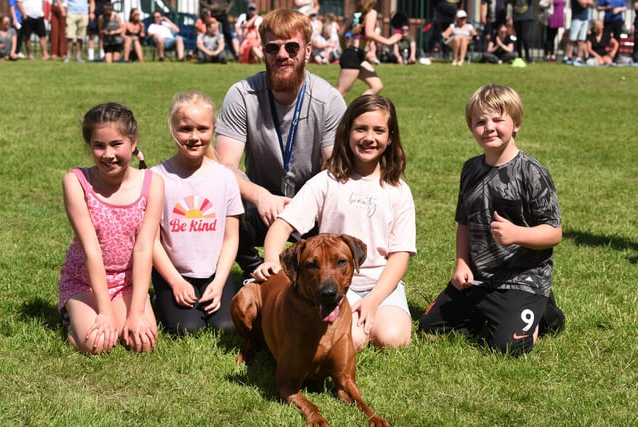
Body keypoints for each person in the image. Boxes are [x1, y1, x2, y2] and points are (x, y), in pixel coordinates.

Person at [253, 94, 416, 351]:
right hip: (332, 285)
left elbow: (400, 255)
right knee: (356, 340)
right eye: (360, 128)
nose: (369, 137)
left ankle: (377, 313)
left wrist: (373, 301)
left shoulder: (398, 190)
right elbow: (282, 224)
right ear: (346, 131)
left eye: (378, 130)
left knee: (392, 338)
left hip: (381, 285)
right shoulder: (327, 181)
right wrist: (271, 259)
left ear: (391, 137)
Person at [419, 84, 565, 356]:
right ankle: (494, 312)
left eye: (498, 120)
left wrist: (517, 234)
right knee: (430, 327)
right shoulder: (470, 169)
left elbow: (554, 232)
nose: (489, 127)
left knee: (507, 347)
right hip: (479, 278)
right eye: (480, 122)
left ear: (516, 123)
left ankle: (544, 309)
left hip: (522, 278)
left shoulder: (532, 172)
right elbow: (463, 222)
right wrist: (462, 263)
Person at [215, 8, 347, 278]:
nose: (282, 55)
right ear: (263, 50)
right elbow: (223, 165)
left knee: (344, 204)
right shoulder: (242, 95)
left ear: (308, 50)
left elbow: (336, 167)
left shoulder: (329, 100)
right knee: (218, 197)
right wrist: (260, 196)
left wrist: (304, 204)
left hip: (313, 202)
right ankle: (258, 272)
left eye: (291, 47)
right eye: (273, 48)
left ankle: (319, 271)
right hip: (259, 202)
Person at [58, 102, 163, 355]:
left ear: (133, 142)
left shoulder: (153, 183)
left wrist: (137, 310)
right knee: (97, 343)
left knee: (143, 343)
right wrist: (104, 313)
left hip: (126, 281)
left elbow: (143, 249)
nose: (108, 154)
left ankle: (130, 309)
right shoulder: (76, 182)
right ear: (90, 146)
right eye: (99, 146)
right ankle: (72, 319)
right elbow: (91, 250)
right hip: (85, 281)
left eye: (116, 144)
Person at [151, 92, 243, 336]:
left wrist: (219, 282)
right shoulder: (156, 178)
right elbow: (151, 241)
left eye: (202, 129)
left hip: (214, 272)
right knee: (187, 328)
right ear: (172, 129)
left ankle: (212, 292)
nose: (194, 137)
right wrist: (175, 282)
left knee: (227, 326)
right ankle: (156, 299)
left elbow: (230, 238)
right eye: (185, 129)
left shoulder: (225, 178)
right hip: (173, 272)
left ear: (214, 129)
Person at [337, 0, 402, 96]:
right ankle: (321, 110)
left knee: (377, 86)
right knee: (340, 93)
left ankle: (358, 109)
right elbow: (369, 33)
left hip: (357, 56)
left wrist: (344, 50)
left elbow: (341, 33)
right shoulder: (371, 13)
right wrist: (388, 41)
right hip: (353, 56)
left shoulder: (357, 14)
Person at [563, 0, 594, 65]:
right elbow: (582, 3)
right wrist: (587, 2)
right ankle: (568, 57)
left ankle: (579, 58)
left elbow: (592, 3)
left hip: (585, 19)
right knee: (572, 39)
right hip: (576, 18)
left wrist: (587, 3)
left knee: (582, 40)